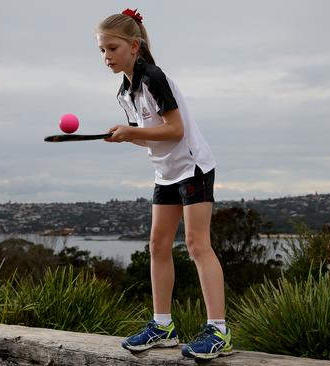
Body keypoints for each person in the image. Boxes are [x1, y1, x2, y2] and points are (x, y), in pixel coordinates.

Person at [96, 8, 233, 361]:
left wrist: (132, 132)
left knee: (197, 244)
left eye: (112, 48)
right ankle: (163, 326)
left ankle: (219, 331)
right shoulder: (124, 90)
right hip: (166, 171)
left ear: (134, 47)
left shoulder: (153, 77)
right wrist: (127, 136)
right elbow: (152, 138)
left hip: (194, 167)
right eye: (101, 50)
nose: (106, 57)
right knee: (157, 244)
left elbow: (175, 130)